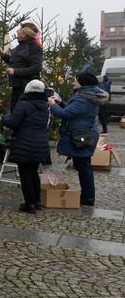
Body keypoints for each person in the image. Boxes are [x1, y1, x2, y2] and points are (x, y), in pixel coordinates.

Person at [48, 72, 108, 206]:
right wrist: (60, 102)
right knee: (83, 165)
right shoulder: (89, 95)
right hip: (84, 134)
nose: (73, 83)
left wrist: (52, 104)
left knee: (83, 166)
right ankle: (87, 196)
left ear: (83, 83)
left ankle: (87, 197)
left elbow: (66, 114)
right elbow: (73, 111)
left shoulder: (82, 98)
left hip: (81, 136)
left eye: (76, 81)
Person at [2, 80, 51, 213]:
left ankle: (29, 204)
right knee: (34, 172)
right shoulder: (45, 105)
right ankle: (37, 202)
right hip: (40, 143)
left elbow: (13, 122)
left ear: (27, 90)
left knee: (25, 174)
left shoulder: (23, 104)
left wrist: (4, 118)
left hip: (24, 142)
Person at [0, 22, 43, 111]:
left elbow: (36, 68)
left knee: (20, 114)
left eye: (19, 29)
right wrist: (3, 55)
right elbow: (16, 62)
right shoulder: (20, 46)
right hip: (17, 86)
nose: (17, 31)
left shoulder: (34, 47)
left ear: (24, 34)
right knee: (15, 113)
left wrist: (15, 71)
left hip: (27, 88)